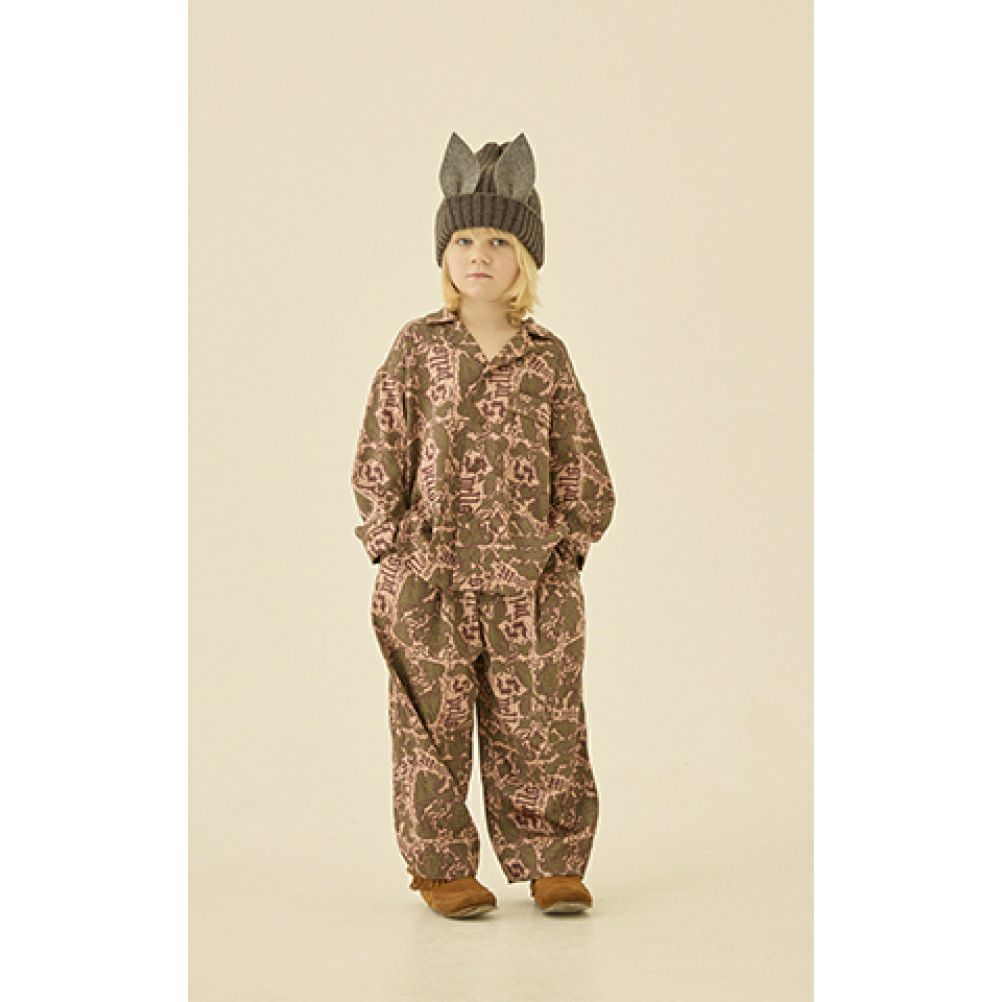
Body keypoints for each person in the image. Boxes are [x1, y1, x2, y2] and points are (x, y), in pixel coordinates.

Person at [351, 132, 615, 919]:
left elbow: (581, 460)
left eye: (498, 241)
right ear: (445, 252)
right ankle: (441, 868)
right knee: (428, 729)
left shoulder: (546, 359)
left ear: (524, 259)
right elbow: (380, 447)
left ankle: (553, 860)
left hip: (531, 584)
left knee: (544, 723)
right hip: (430, 579)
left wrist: (567, 548)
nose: (479, 255)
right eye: (464, 239)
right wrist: (391, 543)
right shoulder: (418, 349)